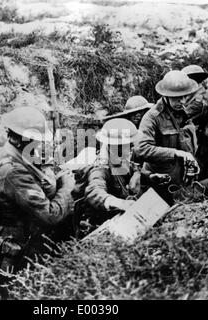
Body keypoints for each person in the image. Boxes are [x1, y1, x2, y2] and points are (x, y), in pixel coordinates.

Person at [0, 106, 75, 291]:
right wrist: (66, 188)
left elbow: (38, 180)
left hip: (26, 240)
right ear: (19, 139)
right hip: (22, 248)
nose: (38, 145)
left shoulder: (15, 155)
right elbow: (50, 215)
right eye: (34, 140)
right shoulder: (12, 171)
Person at [82, 118, 168, 235]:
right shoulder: (100, 168)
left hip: (124, 219)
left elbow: (132, 170)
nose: (131, 149)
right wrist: (121, 204)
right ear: (116, 146)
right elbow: (94, 192)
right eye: (128, 145)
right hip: (101, 226)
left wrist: (151, 177)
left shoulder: (121, 158)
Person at [133, 70, 200, 205]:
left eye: (185, 96)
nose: (182, 101)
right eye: (177, 98)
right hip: (159, 186)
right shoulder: (152, 117)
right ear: (166, 95)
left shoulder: (182, 113)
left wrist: (192, 160)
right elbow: (142, 149)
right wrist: (176, 153)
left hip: (182, 184)